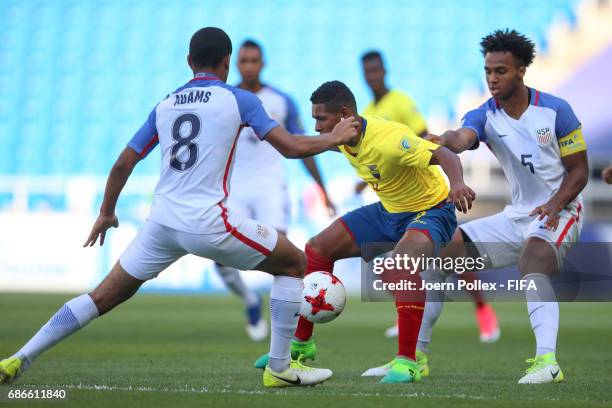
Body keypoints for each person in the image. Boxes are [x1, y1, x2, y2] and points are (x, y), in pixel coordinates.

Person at [0, 27, 361, 388]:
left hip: (160, 225)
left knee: (100, 297)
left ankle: (21, 357)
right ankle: (280, 368)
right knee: (294, 262)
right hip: (208, 222)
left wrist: (107, 212)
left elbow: (124, 163)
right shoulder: (239, 100)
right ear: (226, 62)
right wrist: (334, 137)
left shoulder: (166, 104)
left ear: (190, 62)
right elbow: (291, 147)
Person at [367, 29, 588, 384]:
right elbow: (464, 137)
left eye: (501, 70)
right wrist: (445, 140)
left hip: (562, 210)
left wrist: (554, 203)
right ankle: (412, 358)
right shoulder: (485, 114)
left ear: (521, 71)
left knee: (532, 262)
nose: (492, 78)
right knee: (438, 258)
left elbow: (579, 172)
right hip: (518, 215)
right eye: (488, 71)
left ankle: (547, 362)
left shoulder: (556, 111)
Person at [255, 80, 476, 384]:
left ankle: (409, 362)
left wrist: (458, 184)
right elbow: (302, 144)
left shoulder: (390, 138)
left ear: (344, 114)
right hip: (389, 211)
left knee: (400, 267)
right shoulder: (342, 136)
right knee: (318, 248)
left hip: (431, 210)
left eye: (321, 119)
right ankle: (301, 346)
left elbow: (445, 155)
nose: (317, 126)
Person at [361, 50, 500, 342]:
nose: (372, 76)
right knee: (396, 262)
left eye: (375, 70)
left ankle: (483, 312)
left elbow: (424, 137)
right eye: (367, 72)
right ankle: (409, 313)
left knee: (452, 255)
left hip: (426, 188)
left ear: (384, 71)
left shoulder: (400, 102)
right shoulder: (370, 109)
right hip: (400, 197)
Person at [212, 39, 336, 342]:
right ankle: (250, 300)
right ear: (234, 64)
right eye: (244, 61)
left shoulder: (281, 101)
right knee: (219, 258)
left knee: (283, 256)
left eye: (255, 61)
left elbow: (300, 146)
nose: (250, 66)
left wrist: (323, 189)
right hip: (234, 190)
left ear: (263, 63)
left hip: (271, 188)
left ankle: (285, 329)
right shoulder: (226, 99)